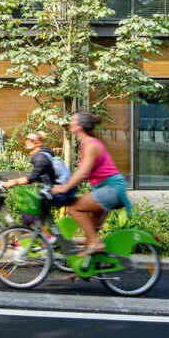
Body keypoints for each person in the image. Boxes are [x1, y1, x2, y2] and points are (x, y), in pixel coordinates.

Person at [50, 110, 131, 261]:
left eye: (73, 120)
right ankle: (86, 268)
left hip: (111, 190)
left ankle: (95, 244)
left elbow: (83, 173)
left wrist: (63, 188)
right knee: (90, 233)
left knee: (73, 207)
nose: (70, 123)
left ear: (80, 126)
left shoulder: (91, 145)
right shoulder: (86, 144)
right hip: (105, 190)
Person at [0, 130, 65, 226]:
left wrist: (14, 182)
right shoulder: (42, 155)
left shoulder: (41, 157)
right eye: (26, 139)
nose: (26, 141)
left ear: (38, 143)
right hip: (48, 192)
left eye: (30, 139)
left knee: (28, 213)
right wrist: (13, 181)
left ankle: (34, 237)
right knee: (35, 217)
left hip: (51, 193)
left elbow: (33, 177)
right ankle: (43, 237)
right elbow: (39, 176)